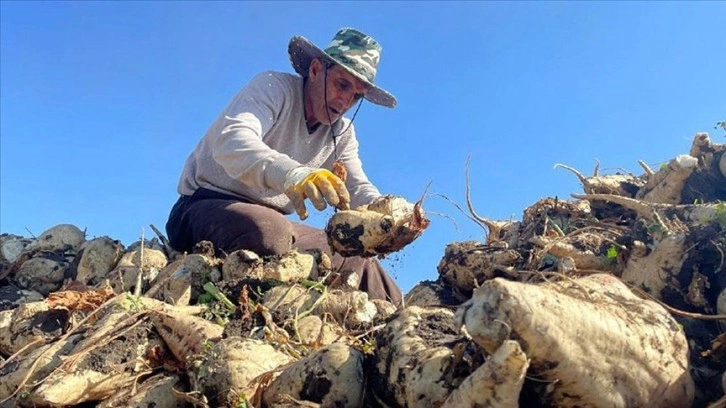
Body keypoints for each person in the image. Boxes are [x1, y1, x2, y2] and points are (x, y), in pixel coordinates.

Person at [166, 27, 409, 307]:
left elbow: (355, 186)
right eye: (342, 85)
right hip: (204, 206)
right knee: (271, 233)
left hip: (275, 222)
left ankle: (414, 322)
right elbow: (232, 139)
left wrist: (388, 215)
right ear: (316, 70)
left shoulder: (342, 133)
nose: (345, 102)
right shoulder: (273, 88)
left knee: (359, 262)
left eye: (356, 96)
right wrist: (293, 173)